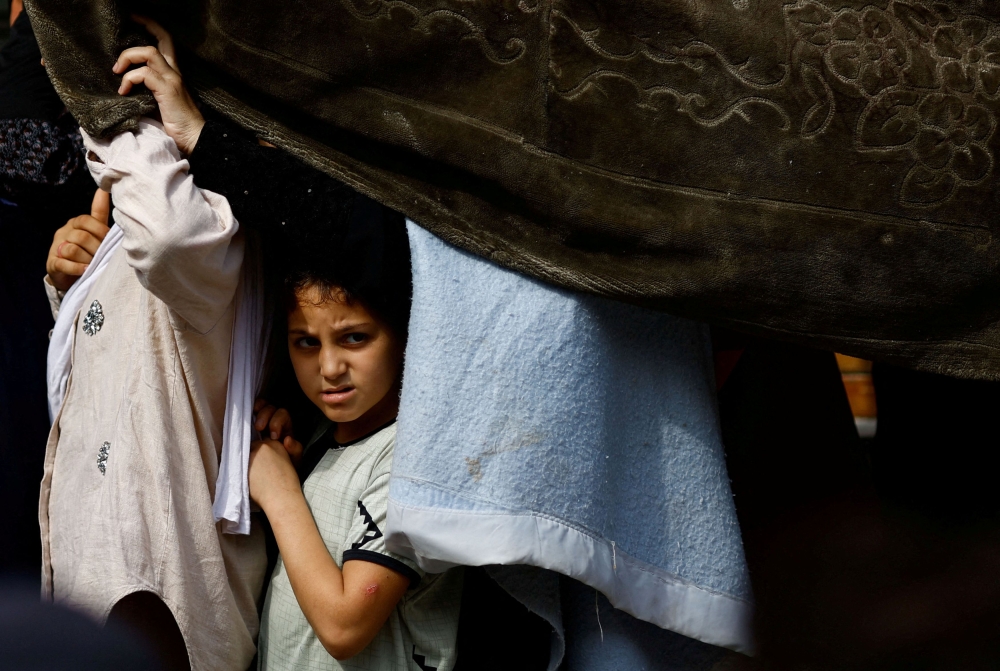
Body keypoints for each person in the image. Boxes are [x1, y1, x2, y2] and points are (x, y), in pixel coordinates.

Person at [40, 19, 266, 671]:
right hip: (93, 591)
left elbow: (170, 237)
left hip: (169, 614)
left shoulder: (218, 227)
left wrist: (120, 107)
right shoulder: (141, 218)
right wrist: (69, 282)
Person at [247, 210, 463, 670]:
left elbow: (345, 626)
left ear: (407, 336)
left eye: (354, 338)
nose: (328, 368)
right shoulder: (328, 433)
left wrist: (280, 493)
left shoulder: (413, 462)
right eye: (305, 342)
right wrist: (297, 465)